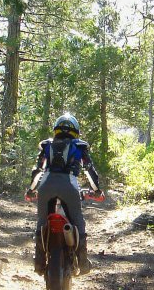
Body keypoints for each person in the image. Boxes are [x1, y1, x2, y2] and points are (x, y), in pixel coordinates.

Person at [25, 113, 104, 275]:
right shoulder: (79, 146)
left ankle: (39, 262)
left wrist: (32, 190)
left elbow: (38, 170)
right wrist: (96, 191)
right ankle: (82, 262)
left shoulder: (47, 145)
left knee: (41, 222)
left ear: (56, 129)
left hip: (46, 186)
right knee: (77, 221)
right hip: (69, 186)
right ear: (75, 131)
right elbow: (89, 170)